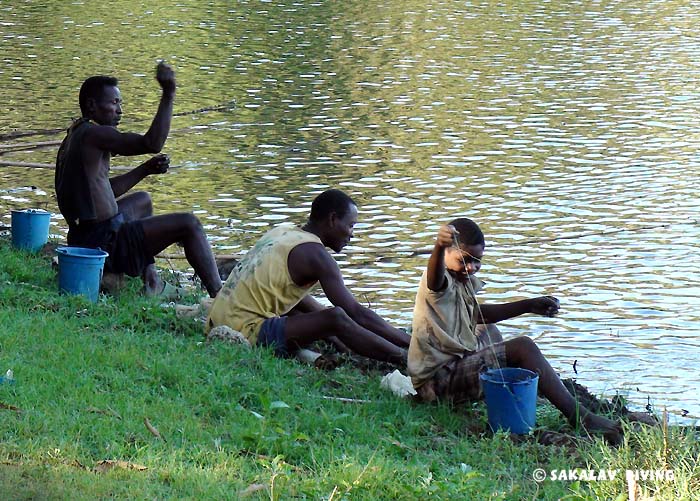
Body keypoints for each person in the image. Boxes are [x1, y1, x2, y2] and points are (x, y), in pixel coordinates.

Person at [407, 218, 622, 444]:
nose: (471, 267)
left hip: (452, 366)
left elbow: (477, 315)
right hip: (436, 385)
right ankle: (580, 417)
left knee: (488, 330)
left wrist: (527, 305)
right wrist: (439, 246)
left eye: (477, 262)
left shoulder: (461, 277)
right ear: (445, 255)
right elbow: (434, 276)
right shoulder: (437, 282)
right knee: (523, 347)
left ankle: (499, 388)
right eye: (464, 260)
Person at [55, 61, 222, 298]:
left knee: (143, 201)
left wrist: (144, 170)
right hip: (102, 243)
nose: (120, 110)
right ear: (92, 106)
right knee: (189, 224)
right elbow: (152, 143)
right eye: (114, 103)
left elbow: (102, 192)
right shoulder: (97, 134)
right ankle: (221, 296)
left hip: (86, 234)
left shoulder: (78, 132)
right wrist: (168, 93)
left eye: (120, 103)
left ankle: (151, 279)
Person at [206, 189, 410, 364]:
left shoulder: (284, 231)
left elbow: (288, 294)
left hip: (217, 320)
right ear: (332, 219)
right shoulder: (316, 255)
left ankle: (344, 342)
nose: (352, 234)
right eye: (350, 225)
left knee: (314, 311)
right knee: (336, 317)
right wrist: (409, 342)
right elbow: (356, 313)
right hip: (243, 332)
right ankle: (405, 358)